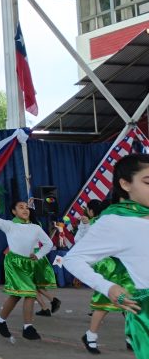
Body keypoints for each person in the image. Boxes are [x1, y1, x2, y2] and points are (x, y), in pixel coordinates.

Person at [66, 153, 149, 359]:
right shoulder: (116, 221)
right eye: (148, 181)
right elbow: (73, 258)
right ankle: (91, 335)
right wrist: (108, 287)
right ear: (126, 184)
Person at [74, 199, 135, 354]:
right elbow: (80, 242)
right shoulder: (98, 223)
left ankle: (131, 338)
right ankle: (90, 336)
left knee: (130, 302)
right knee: (105, 303)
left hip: (124, 266)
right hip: (109, 267)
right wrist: (85, 225)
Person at [0, 196, 53, 341]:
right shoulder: (10, 225)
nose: (25, 210)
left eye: (26, 207)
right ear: (14, 211)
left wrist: (39, 255)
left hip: (28, 264)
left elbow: (48, 244)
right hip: (14, 263)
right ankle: (28, 327)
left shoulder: (36, 228)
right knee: (30, 292)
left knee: (17, 295)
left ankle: (0, 321)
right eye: (21, 207)